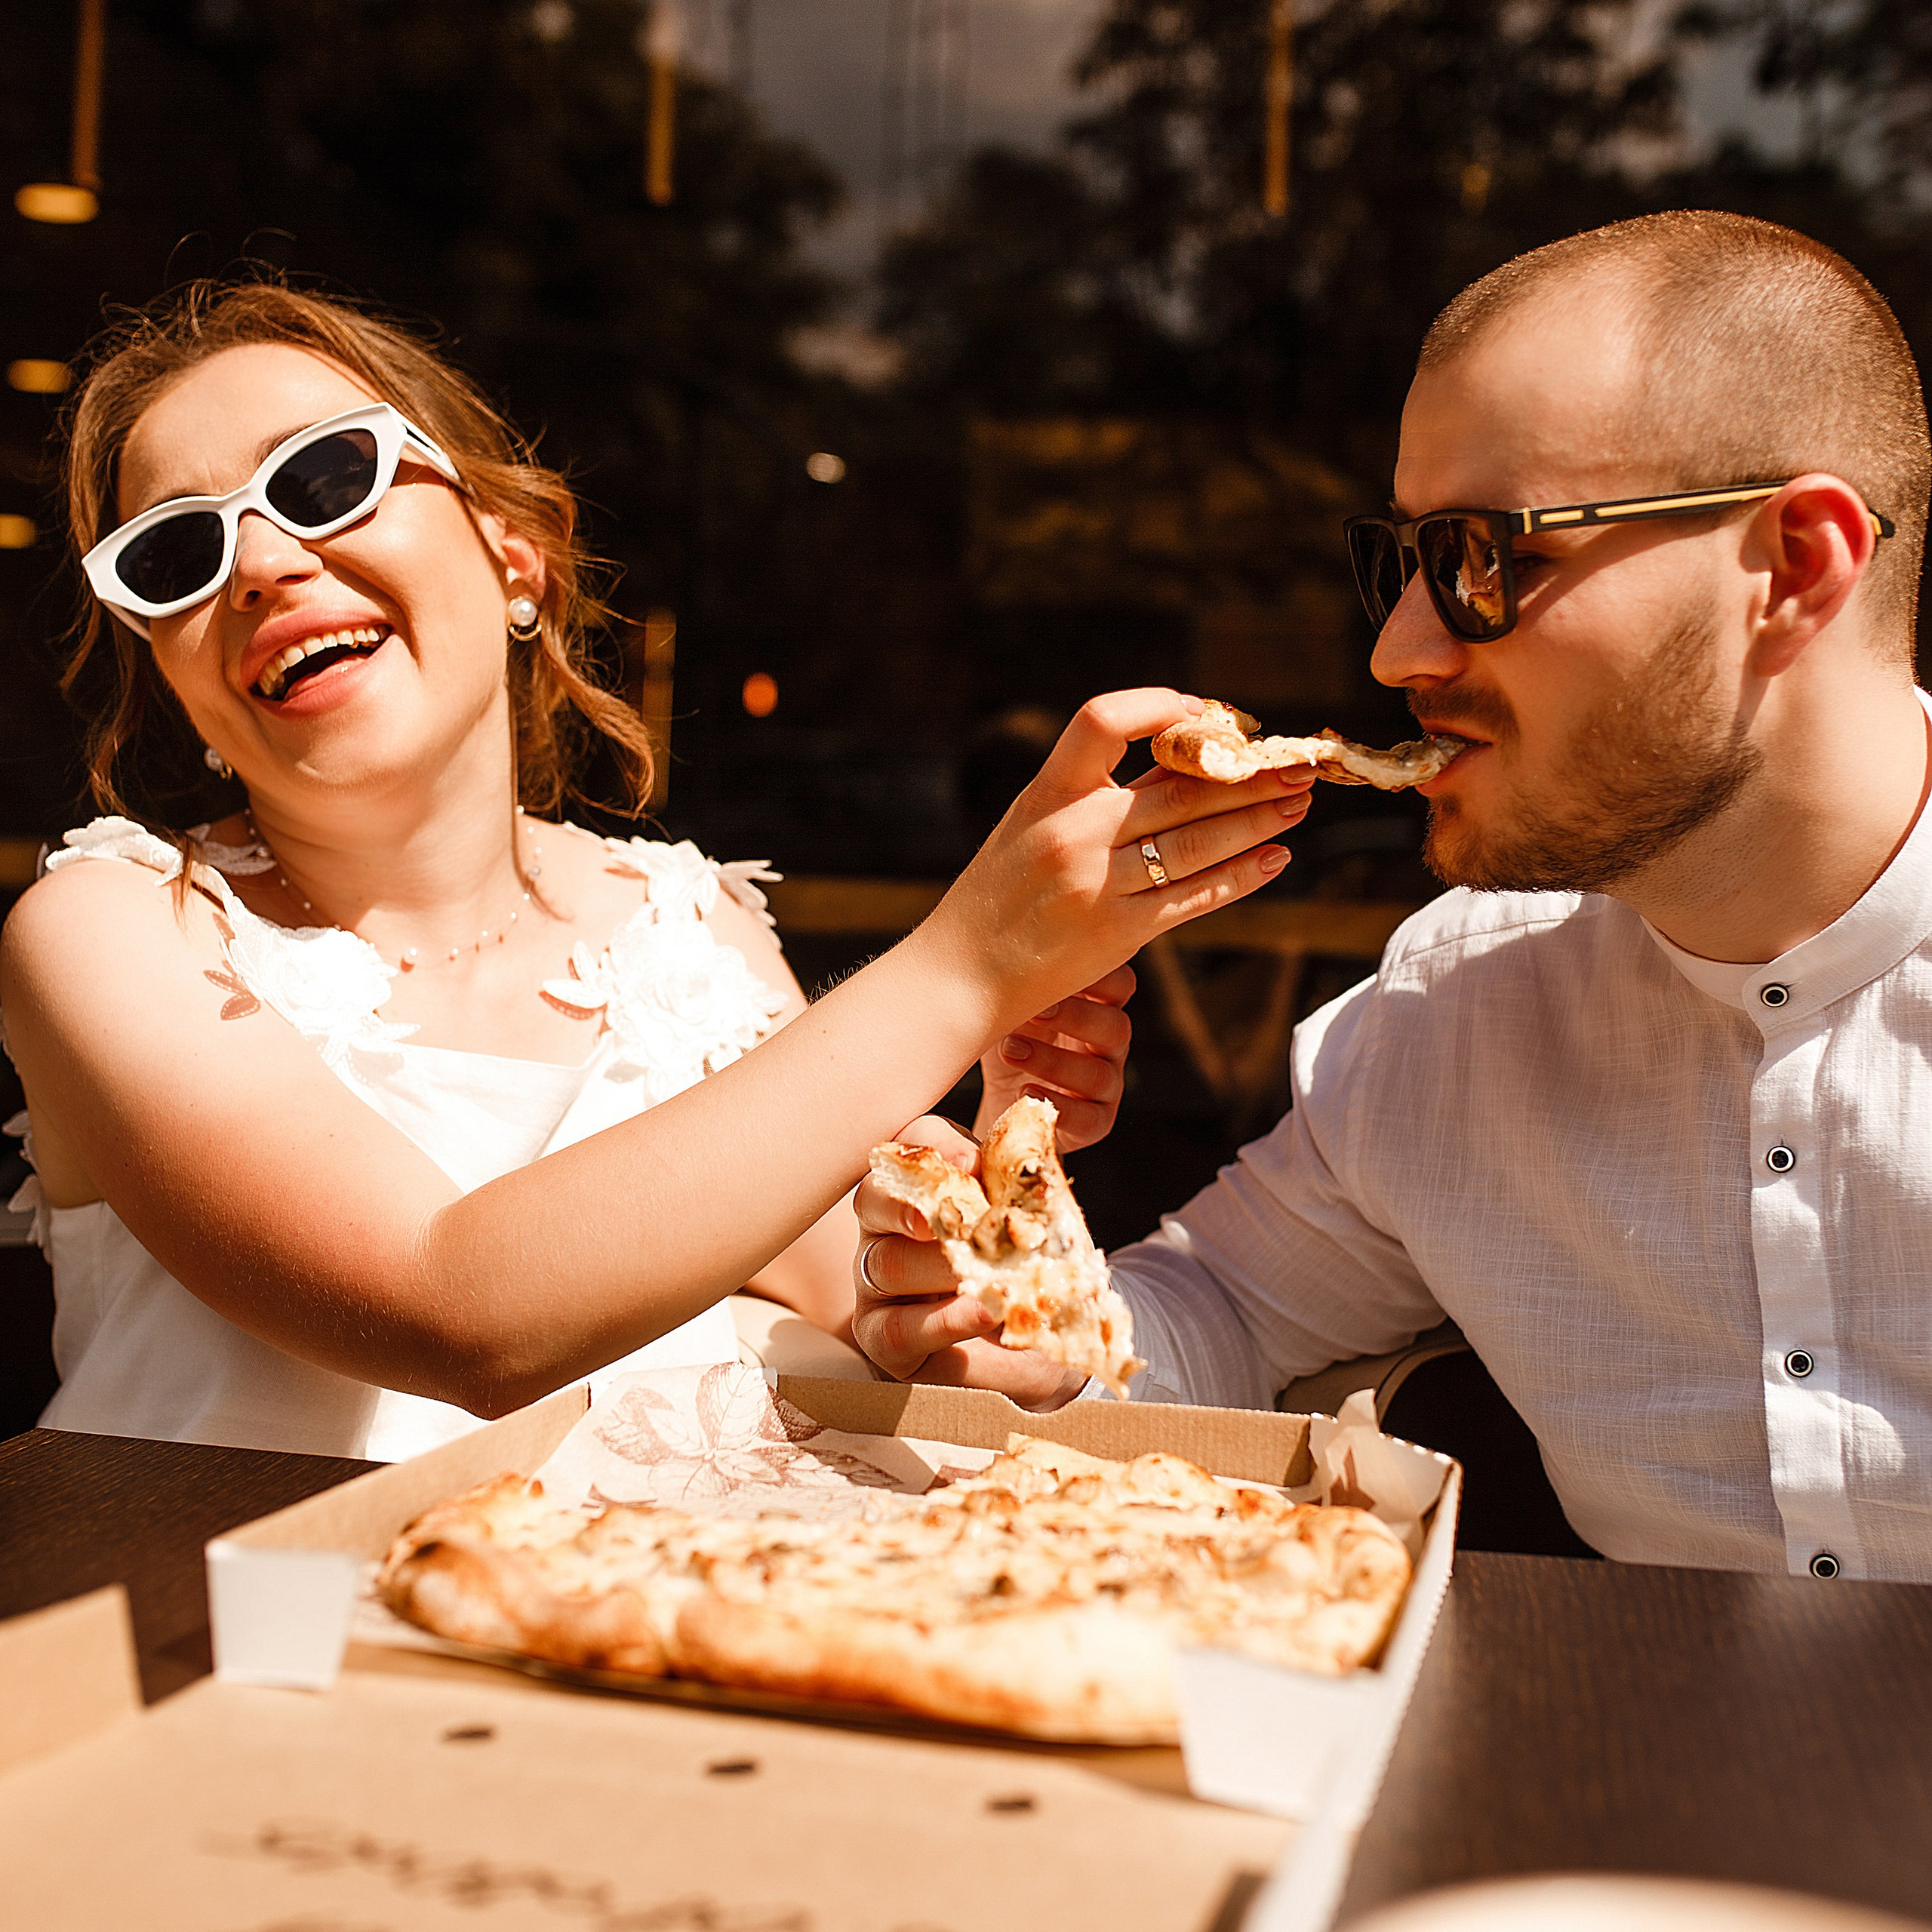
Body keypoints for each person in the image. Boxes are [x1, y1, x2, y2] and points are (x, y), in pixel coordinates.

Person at [0, 279, 1316, 1460]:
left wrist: (978, 1254)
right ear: (167, 670)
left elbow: (860, 1288)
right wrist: (969, 969)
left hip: (634, 1665)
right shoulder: (112, 935)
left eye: (326, 478)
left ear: (516, 554)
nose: (265, 564)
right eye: (177, 555)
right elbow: (453, 1314)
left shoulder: (688, 926)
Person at [852, 211, 1932, 1585]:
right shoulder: (1461, 1000)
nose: (1397, 649)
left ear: (1793, 570)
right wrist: (1032, 1318)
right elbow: (1215, 1317)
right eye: (1404, 560)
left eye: (1489, 557)